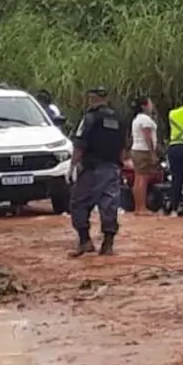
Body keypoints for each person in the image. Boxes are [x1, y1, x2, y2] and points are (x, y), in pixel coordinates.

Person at [68, 86, 125, 257]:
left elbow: (80, 144)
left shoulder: (90, 118)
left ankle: (85, 241)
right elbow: (123, 147)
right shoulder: (119, 119)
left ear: (91, 99)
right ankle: (108, 245)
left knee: (78, 203)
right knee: (109, 205)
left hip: (92, 170)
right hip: (112, 168)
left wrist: (72, 166)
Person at [128, 95, 158, 215]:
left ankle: (138, 207)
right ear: (144, 106)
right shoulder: (145, 120)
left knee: (138, 178)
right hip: (143, 151)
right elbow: (147, 136)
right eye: (150, 103)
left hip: (136, 149)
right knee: (143, 179)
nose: (152, 106)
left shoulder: (137, 119)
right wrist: (152, 153)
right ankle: (142, 207)